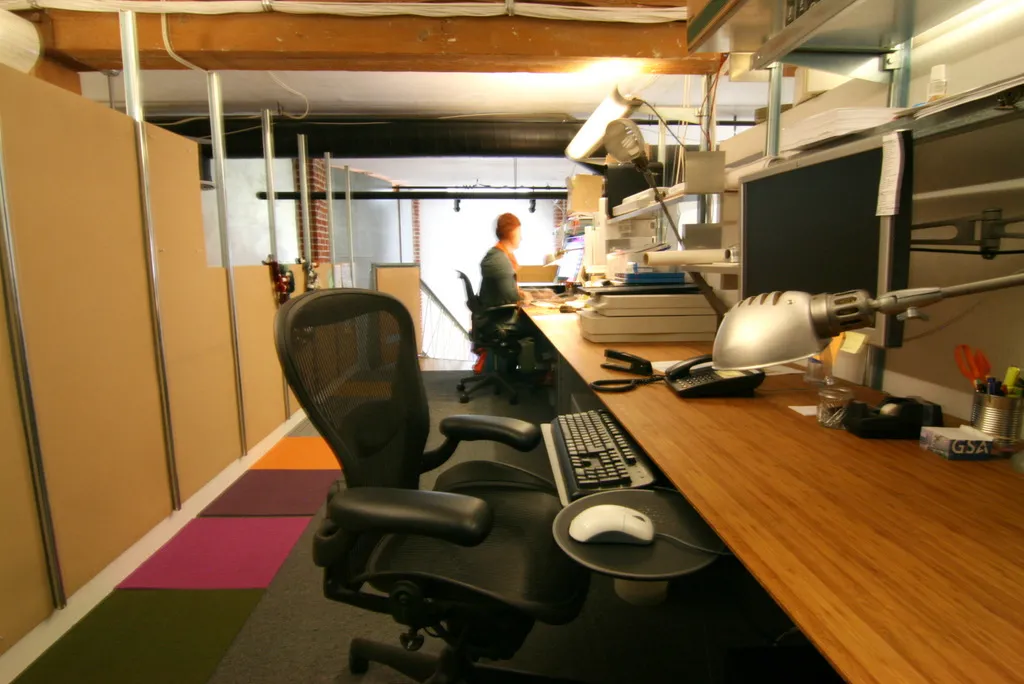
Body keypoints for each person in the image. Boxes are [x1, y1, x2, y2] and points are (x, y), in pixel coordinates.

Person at [479, 212, 529, 316]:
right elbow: (510, 297)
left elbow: (505, 291)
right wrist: (526, 297)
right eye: (519, 233)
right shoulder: (500, 260)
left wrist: (523, 294)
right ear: (512, 233)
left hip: (495, 316)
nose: (521, 238)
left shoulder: (498, 255)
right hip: (501, 320)